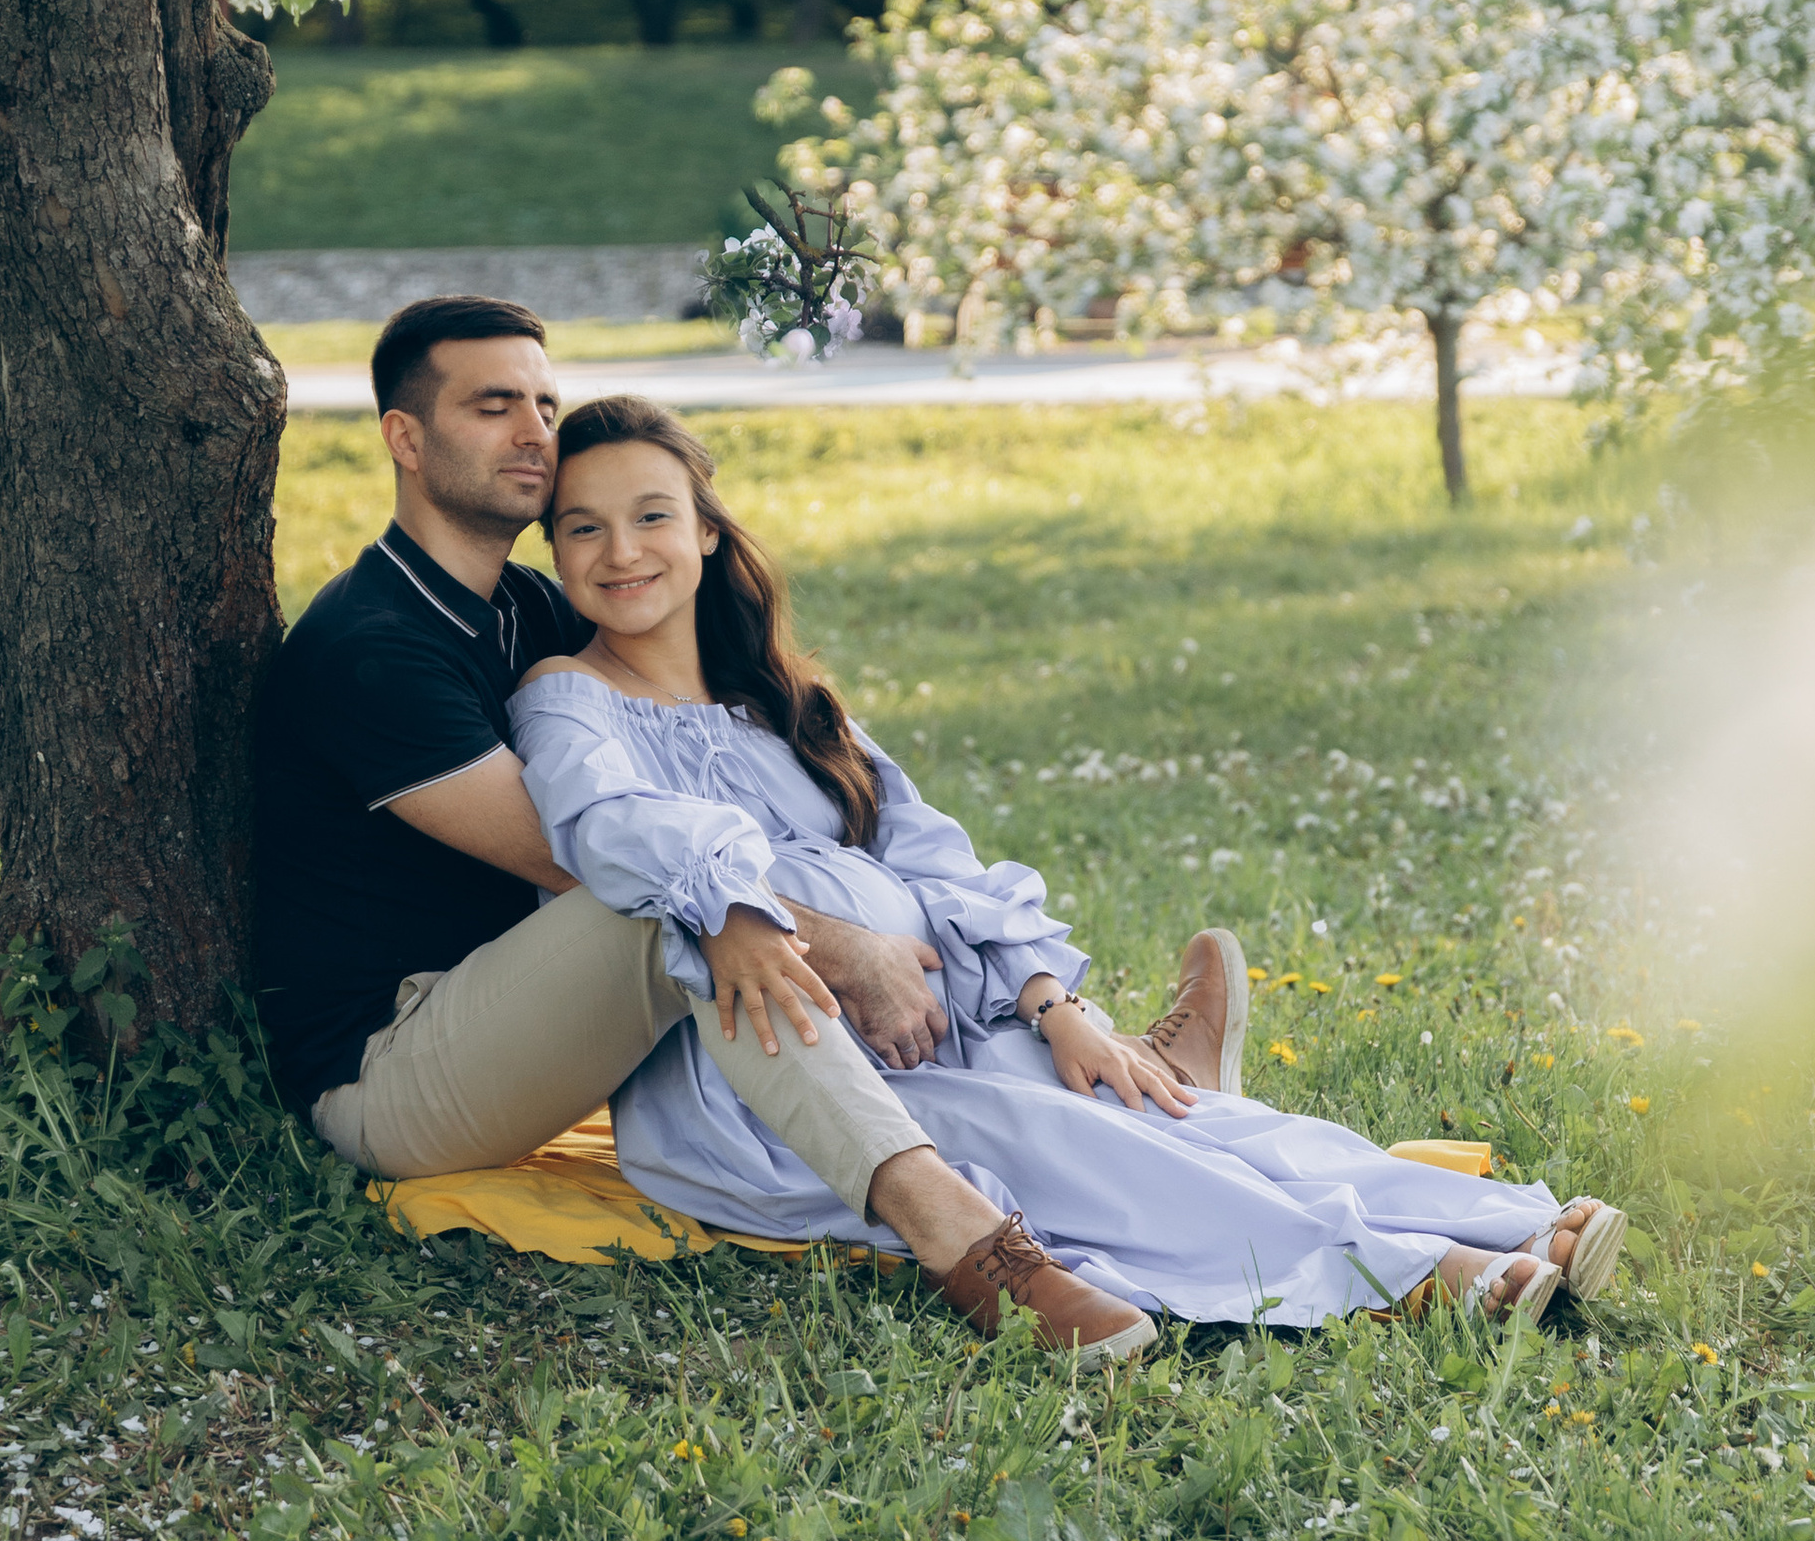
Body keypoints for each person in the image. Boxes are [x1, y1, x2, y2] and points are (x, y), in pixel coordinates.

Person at [506, 396, 1629, 1368]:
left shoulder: (785, 701)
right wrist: (791, 926)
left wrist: (1052, 1001)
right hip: (772, 1072)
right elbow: (609, 831)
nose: (620, 553)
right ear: (553, 552)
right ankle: (1409, 1272)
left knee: (1145, 1112)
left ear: (706, 530)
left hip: (943, 1015)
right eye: (581, 529)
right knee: (1064, 1149)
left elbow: (931, 854)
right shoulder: (569, 699)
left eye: (651, 516)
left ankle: (1503, 1222)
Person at [247, 299, 1144, 1357]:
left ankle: (1116, 1099)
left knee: (764, 888)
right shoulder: (371, 646)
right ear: (405, 437)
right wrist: (842, 943)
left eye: (543, 401)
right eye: (493, 406)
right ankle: (963, 1242)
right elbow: (581, 858)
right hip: (390, 1071)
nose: (535, 431)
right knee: (675, 908)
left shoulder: (524, 607)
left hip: (521, 1015)